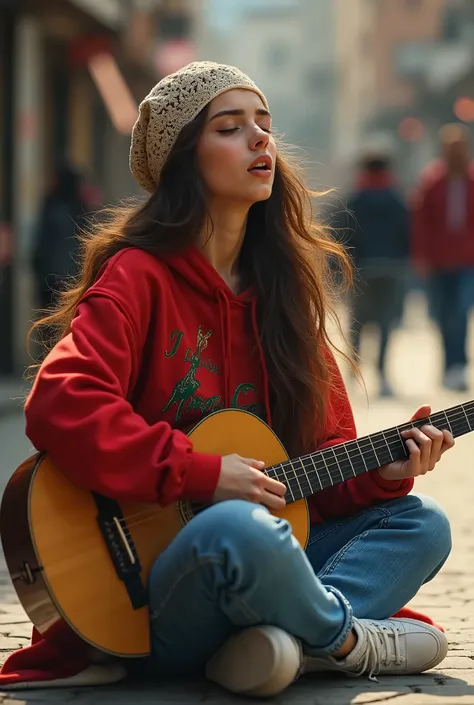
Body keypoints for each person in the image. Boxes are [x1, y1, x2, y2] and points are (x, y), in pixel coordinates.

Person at [0, 62, 454, 698]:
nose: (262, 140)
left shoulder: (285, 299)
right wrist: (203, 476)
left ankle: (282, 645)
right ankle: (345, 643)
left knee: (422, 522)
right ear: (184, 158)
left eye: (265, 125)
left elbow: (308, 479)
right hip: (150, 601)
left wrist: (381, 475)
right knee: (241, 528)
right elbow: (61, 401)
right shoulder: (139, 277)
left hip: (259, 564)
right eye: (231, 127)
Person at [340, 148, 409, 397]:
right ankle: (381, 373)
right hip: (390, 269)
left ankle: (354, 369)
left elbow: (343, 235)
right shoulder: (397, 199)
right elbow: (407, 233)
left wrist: (342, 270)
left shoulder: (355, 200)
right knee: (385, 323)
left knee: (358, 322)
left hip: (361, 270)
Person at [412, 123, 474, 392]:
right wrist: (421, 257)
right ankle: (449, 364)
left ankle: (458, 365)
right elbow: (420, 222)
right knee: (440, 315)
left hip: (466, 262)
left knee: (459, 313)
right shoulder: (432, 182)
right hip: (438, 262)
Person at [31, 161, 88, 311]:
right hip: (71, 280)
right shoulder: (80, 207)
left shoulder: (53, 205)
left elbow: (43, 239)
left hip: (53, 280)